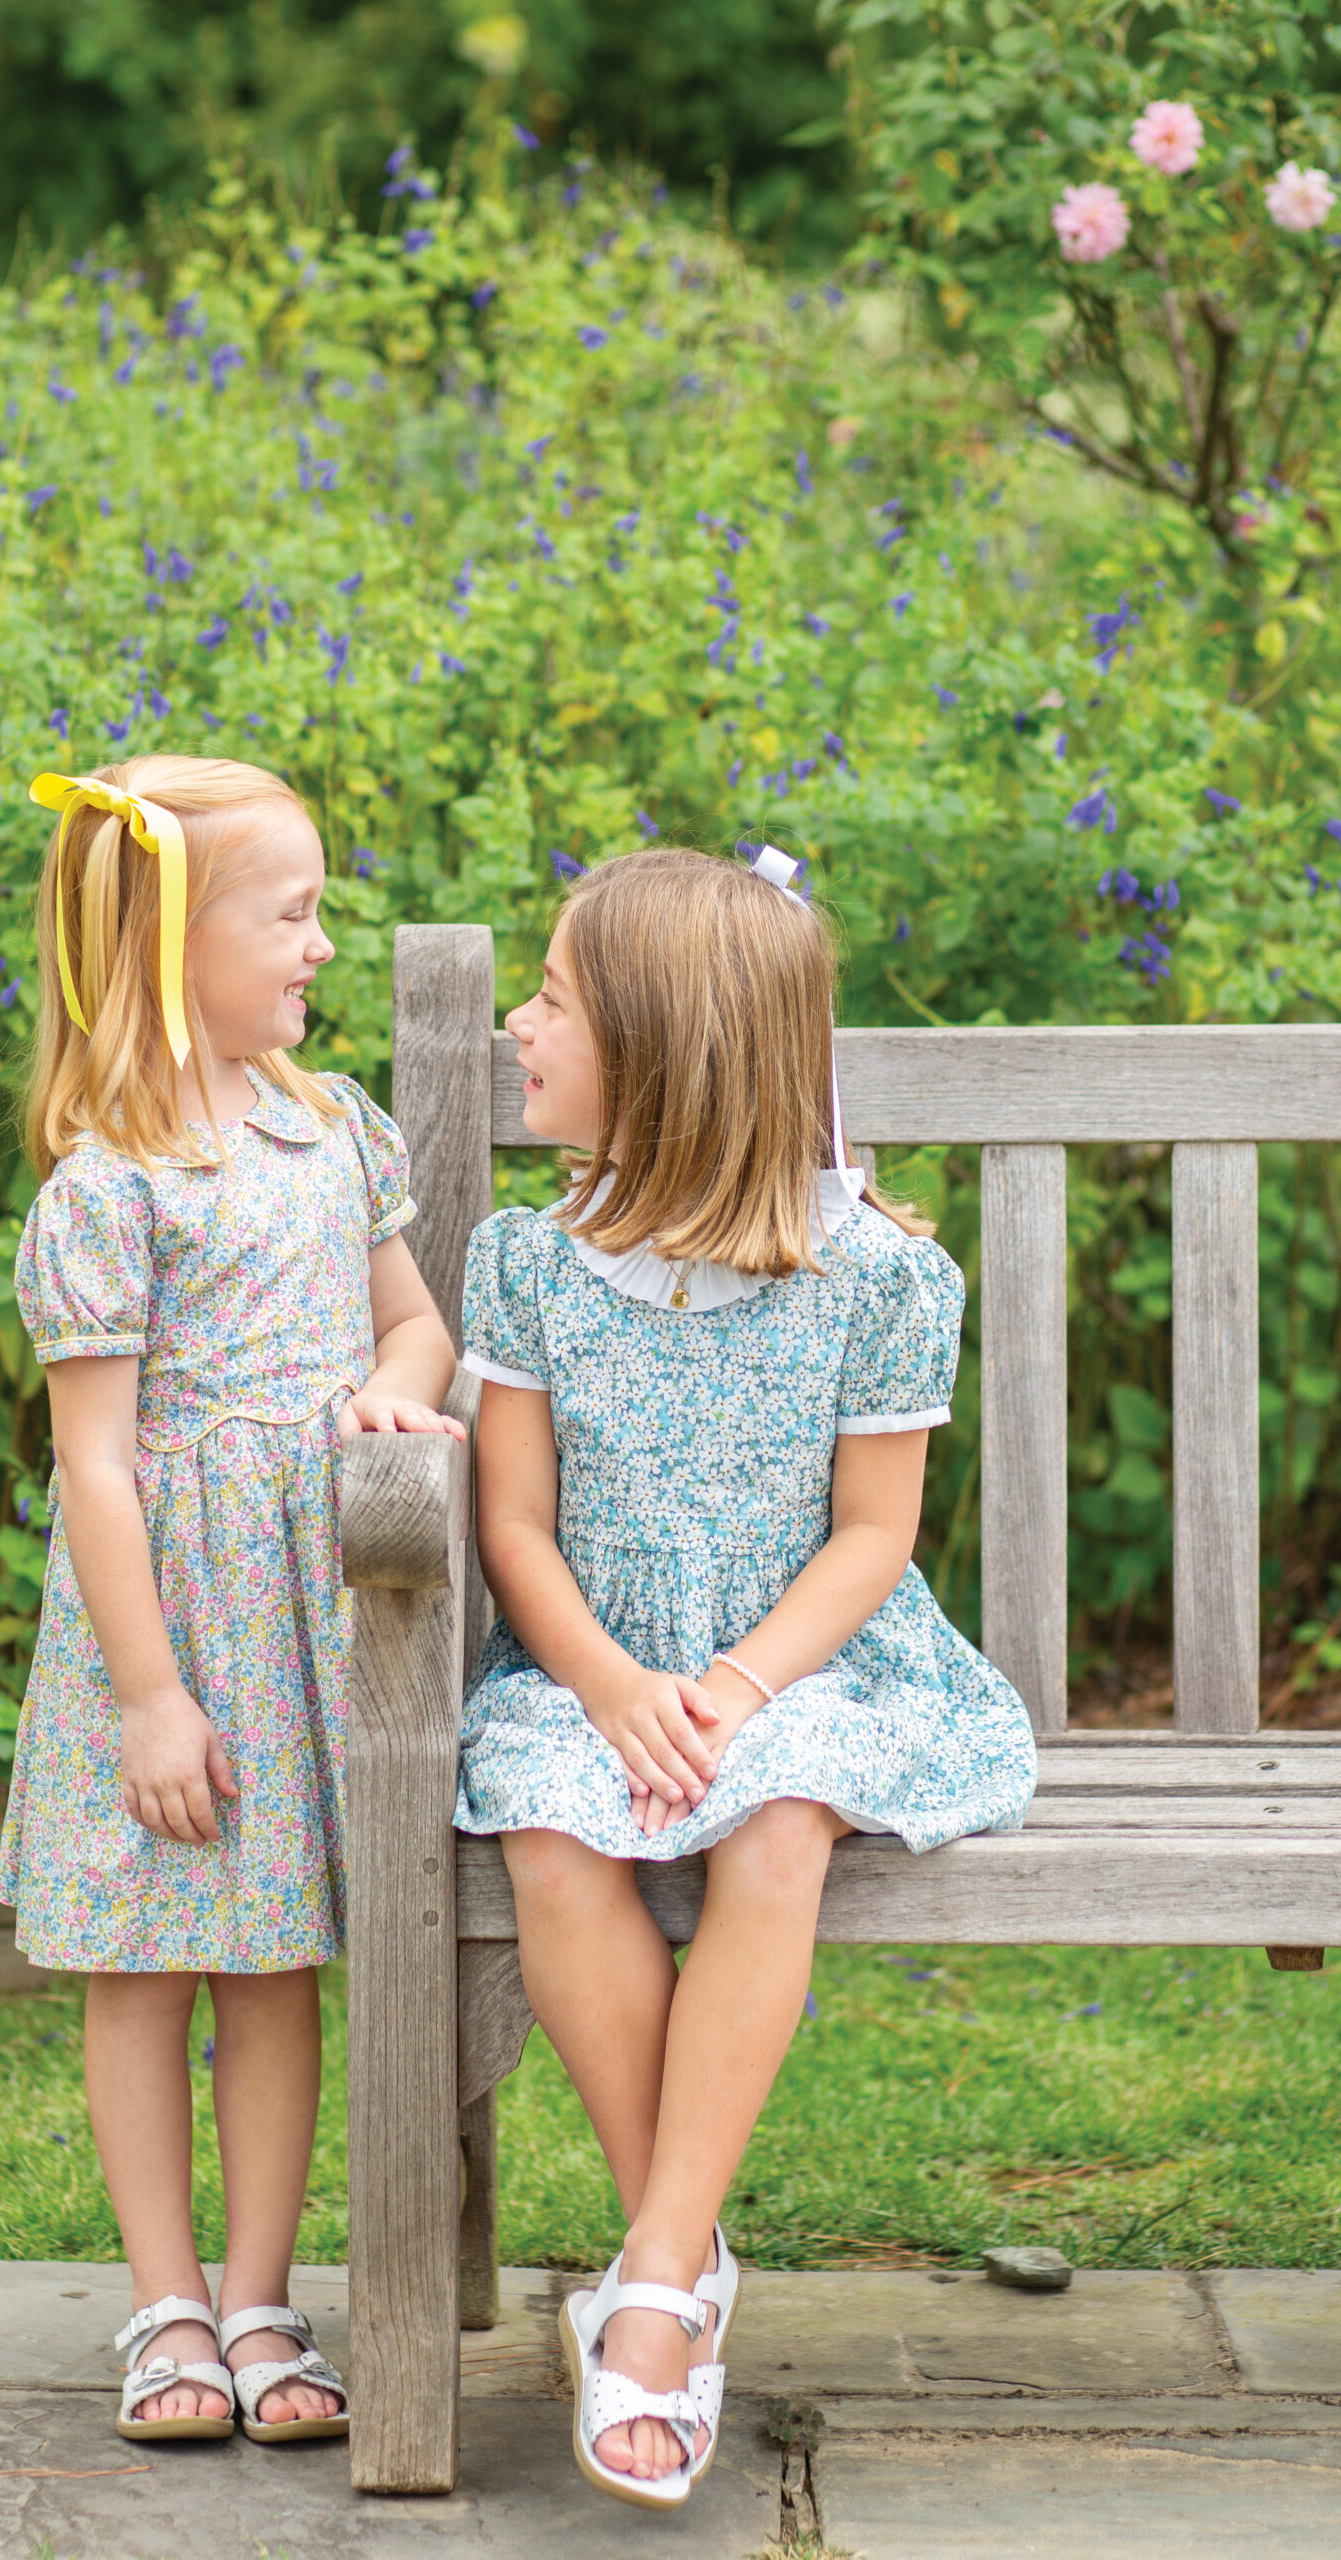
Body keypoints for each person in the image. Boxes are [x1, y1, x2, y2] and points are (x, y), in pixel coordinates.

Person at [456, 844, 1037, 2510]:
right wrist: (620, 1686)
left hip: (808, 1671)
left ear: (661, 1050)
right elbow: (510, 1524)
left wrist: (730, 1688)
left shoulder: (874, 1277)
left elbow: (870, 1541)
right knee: (556, 1832)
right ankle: (677, 2264)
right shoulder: (531, 1262)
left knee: (776, 1824)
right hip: (586, 1663)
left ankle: (652, 2289)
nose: (520, 1024)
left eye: (552, 999)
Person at [0, 754, 460, 2447]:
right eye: (293, 914)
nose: (322, 946)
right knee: (145, 1965)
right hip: (175, 1630)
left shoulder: (333, 1127)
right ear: (171, 943)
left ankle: (265, 2303)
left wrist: (390, 1391)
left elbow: (413, 1323)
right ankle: (165, 2308)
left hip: (308, 1617)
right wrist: (147, 1694)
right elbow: (98, 1463)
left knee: (274, 1963)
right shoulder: (107, 1186)